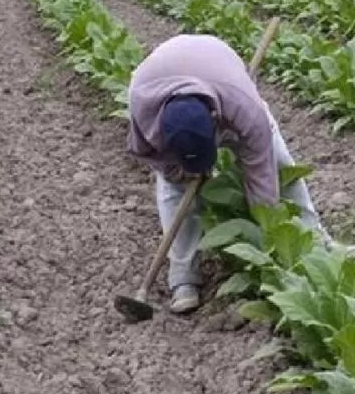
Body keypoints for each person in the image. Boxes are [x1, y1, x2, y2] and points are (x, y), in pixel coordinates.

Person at [127, 34, 331, 313]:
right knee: (172, 189)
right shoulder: (143, 107)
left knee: (280, 161)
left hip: (219, 68)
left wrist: (268, 232)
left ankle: (316, 240)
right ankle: (183, 276)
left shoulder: (242, 106)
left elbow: (260, 173)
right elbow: (147, 154)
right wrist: (177, 172)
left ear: (216, 123)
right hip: (164, 76)